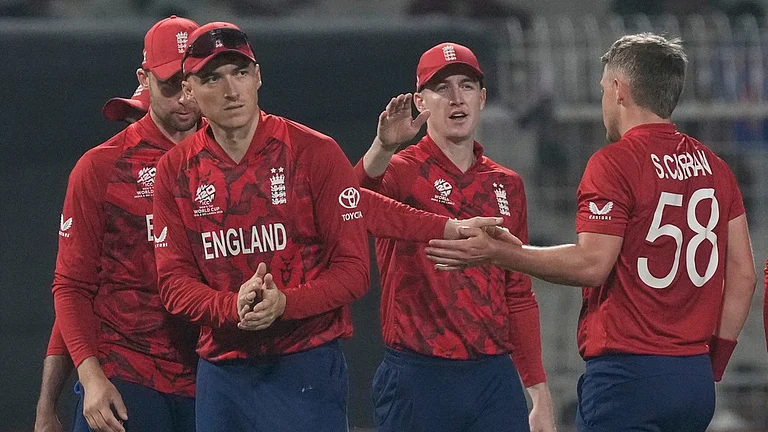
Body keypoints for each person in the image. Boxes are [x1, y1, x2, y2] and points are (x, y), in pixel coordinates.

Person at [151, 21, 501, 432]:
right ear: (189, 90)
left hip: (306, 364)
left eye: (240, 73)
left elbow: (354, 271)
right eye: (212, 78)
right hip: (223, 372)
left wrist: (286, 304)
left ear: (258, 76)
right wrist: (230, 306)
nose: (231, 91)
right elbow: (173, 282)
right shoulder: (174, 171)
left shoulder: (313, 152)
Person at [426, 33, 757, 432]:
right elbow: (743, 275)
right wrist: (713, 363)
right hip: (693, 381)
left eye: (603, 88)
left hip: (628, 377)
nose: (603, 101)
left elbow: (592, 264)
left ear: (619, 90)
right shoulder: (716, 168)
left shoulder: (615, 164)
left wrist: (500, 254)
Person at [354, 42, 556, 432]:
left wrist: (539, 393)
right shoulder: (400, 170)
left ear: (482, 98)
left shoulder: (506, 184)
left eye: (466, 86)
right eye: (442, 88)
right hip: (419, 373)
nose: (456, 97)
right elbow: (349, 203)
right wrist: (383, 146)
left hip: (493, 377)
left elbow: (517, 294)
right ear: (420, 102)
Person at [51, 15, 204, 432]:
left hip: (214, 374)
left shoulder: (236, 161)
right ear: (144, 78)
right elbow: (72, 285)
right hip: (128, 374)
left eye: (192, 82)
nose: (184, 99)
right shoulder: (101, 166)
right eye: (171, 84)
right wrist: (91, 377)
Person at [35, 82, 151, 432]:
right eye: (132, 118)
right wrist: (46, 404)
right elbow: (76, 294)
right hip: (125, 376)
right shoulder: (104, 170)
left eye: (142, 116)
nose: (138, 128)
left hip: (203, 377)